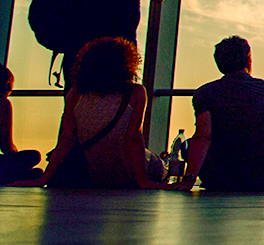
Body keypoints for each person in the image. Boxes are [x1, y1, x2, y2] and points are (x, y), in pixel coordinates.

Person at [25, 37, 169, 189]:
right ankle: (165, 164)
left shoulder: (76, 93)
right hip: (129, 173)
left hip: (97, 174)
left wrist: (44, 178)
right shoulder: (135, 92)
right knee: (158, 164)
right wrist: (143, 181)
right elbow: (133, 139)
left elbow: (67, 137)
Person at [177, 36, 264, 192]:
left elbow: (203, 136)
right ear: (248, 59)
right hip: (261, 179)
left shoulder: (204, 93)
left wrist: (189, 179)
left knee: (188, 144)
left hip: (218, 178)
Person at [0, 67, 44, 184]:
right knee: (34, 157)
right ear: (7, 84)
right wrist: (15, 153)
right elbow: (6, 146)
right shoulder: (2, 103)